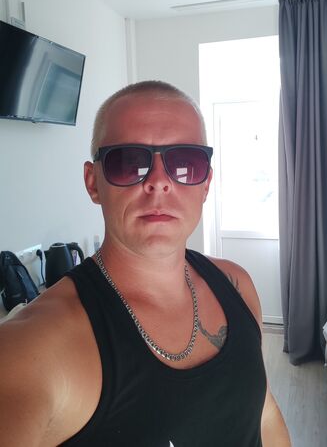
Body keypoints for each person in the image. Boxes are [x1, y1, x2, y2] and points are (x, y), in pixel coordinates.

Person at [0, 80, 291, 446]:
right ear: (93, 182)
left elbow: (263, 413)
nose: (158, 182)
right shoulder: (33, 349)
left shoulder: (235, 283)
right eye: (128, 162)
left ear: (205, 184)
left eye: (185, 164)